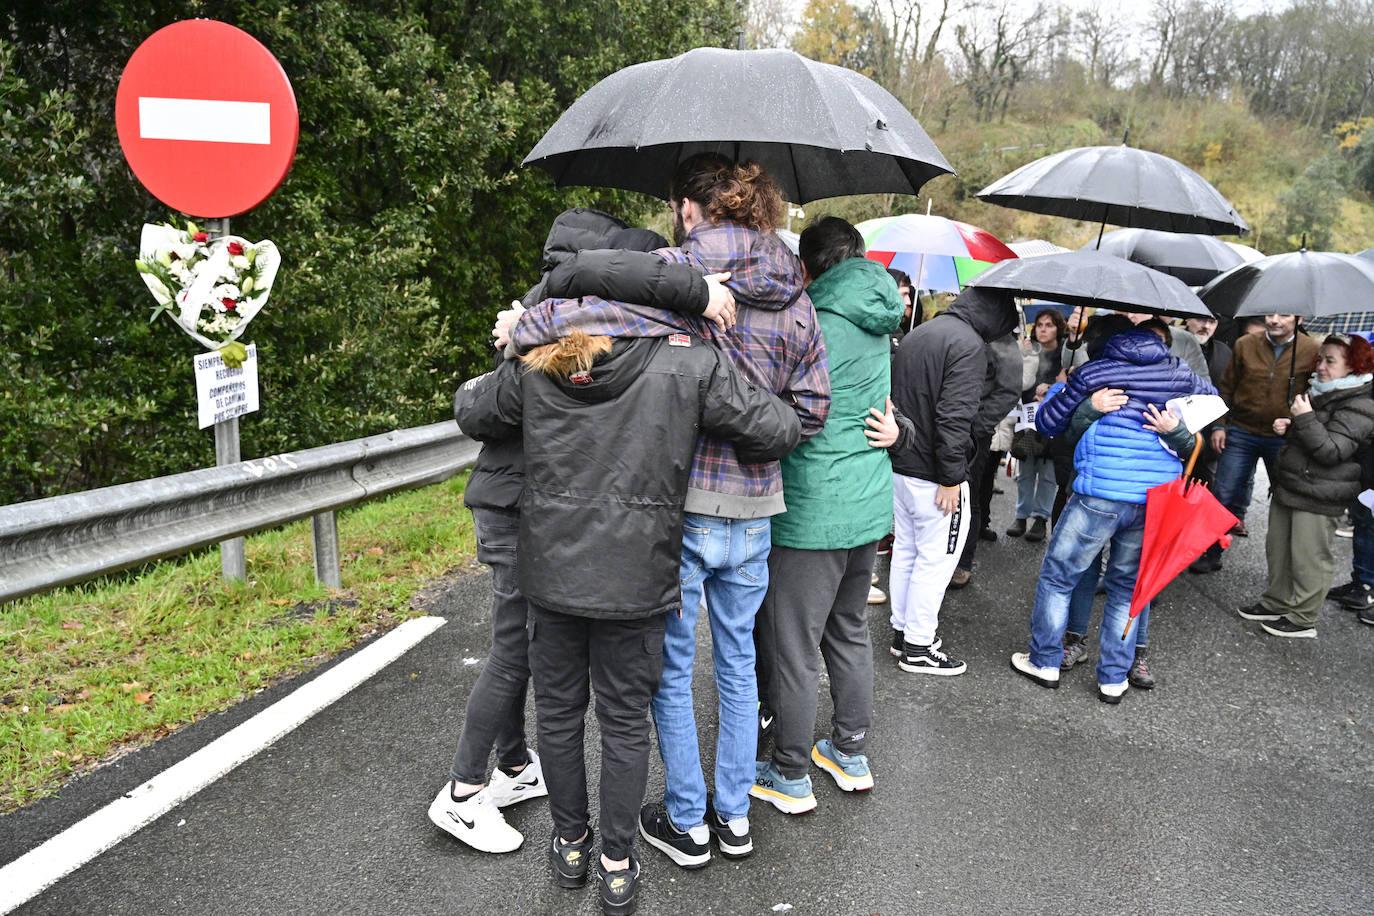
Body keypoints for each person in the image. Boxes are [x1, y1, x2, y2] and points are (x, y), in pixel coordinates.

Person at [495, 153, 829, 868]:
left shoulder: (678, 279)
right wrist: (759, 432)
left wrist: (523, 323)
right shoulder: (797, 294)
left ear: (687, 207)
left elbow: (575, 325)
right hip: (757, 505)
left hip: (677, 502)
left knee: (670, 670)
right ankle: (735, 816)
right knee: (740, 661)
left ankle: (689, 822)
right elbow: (811, 411)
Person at [457, 308, 801, 914]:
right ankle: (616, 863)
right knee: (622, 720)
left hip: (553, 574)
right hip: (637, 578)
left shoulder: (534, 368)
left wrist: (519, 339)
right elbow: (778, 428)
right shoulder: (685, 364)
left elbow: (472, 411)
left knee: (560, 713)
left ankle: (570, 844)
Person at [429, 211, 721, 854]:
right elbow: (483, 409)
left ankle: (511, 766)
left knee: (528, 656)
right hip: (519, 510)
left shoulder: (549, 318)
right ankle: (461, 790)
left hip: (527, 508)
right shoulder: (565, 322)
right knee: (513, 654)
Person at [750, 217, 901, 813]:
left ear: (808, 267)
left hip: (813, 507)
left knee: (793, 643)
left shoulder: (812, 318)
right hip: (867, 502)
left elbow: (789, 411)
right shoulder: (882, 317)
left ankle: (788, 770)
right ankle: (849, 750)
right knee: (848, 627)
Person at [1010, 323, 1214, 704]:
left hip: (1099, 494)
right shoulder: (1179, 373)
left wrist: (1086, 401)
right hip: (1152, 499)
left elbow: (1047, 422)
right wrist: (1176, 427)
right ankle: (1113, 679)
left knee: (1058, 578)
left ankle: (1046, 661)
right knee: (1126, 590)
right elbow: (1214, 403)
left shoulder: (1096, 371)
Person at [888, 286, 1020, 675]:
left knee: (908, 552)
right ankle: (919, 646)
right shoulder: (968, 346)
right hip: (935, 474)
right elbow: (954, 418)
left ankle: (904, 633)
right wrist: (951, 476)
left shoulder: (921, 332)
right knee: (936, 561)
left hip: (901, 463)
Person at [1237, 334, 1374, 638]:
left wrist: (1306, 419)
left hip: (1321, 492)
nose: (1321, 366)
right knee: (1279, 549)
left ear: (1353, 366)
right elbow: (1314, 437)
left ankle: (1303, 617)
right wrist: (1292, 426)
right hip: (1293, 485)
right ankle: (1277, 601)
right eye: (1320, 359)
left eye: (1330, 361)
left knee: (1308, 555)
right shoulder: (1322, 392)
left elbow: (1333, 451)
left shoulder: (1361, 403)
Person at [1190, 313, 1319, 573]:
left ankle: (1287, 564)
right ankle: (1212, 552)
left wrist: (1298, 423)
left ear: (1299, 318)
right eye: (1270, 314)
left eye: (1283, 315)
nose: (1274, 320)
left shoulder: (1310, 350)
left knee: (1286, 498)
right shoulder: (1245, 344)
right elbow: (1226, 388)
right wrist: (1220, 425)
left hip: (1283, 436)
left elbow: (1316, 392)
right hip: (1241, 431)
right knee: (1223, 493)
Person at [952, 325, 1022, 585]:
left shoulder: (1002, 341)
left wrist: (978, 426)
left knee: (969, 496)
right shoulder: (965, 331)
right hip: (950, 423)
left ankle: (963, 561)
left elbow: (1009, 390)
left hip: (975, 432)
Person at [1007, 310, 1065, 542]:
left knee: (1048, 471)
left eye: (1049, 325)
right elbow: (1018, 380)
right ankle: (1021, 515)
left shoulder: (1065, 355)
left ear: (1058, 328)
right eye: (1039, 324)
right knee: (1026, 467)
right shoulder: (1029, 350)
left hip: (1053, 417)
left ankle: (1041, 518)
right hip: (1027, 412)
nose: (1043, 329)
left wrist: (1050, 389)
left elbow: (1068, 383)